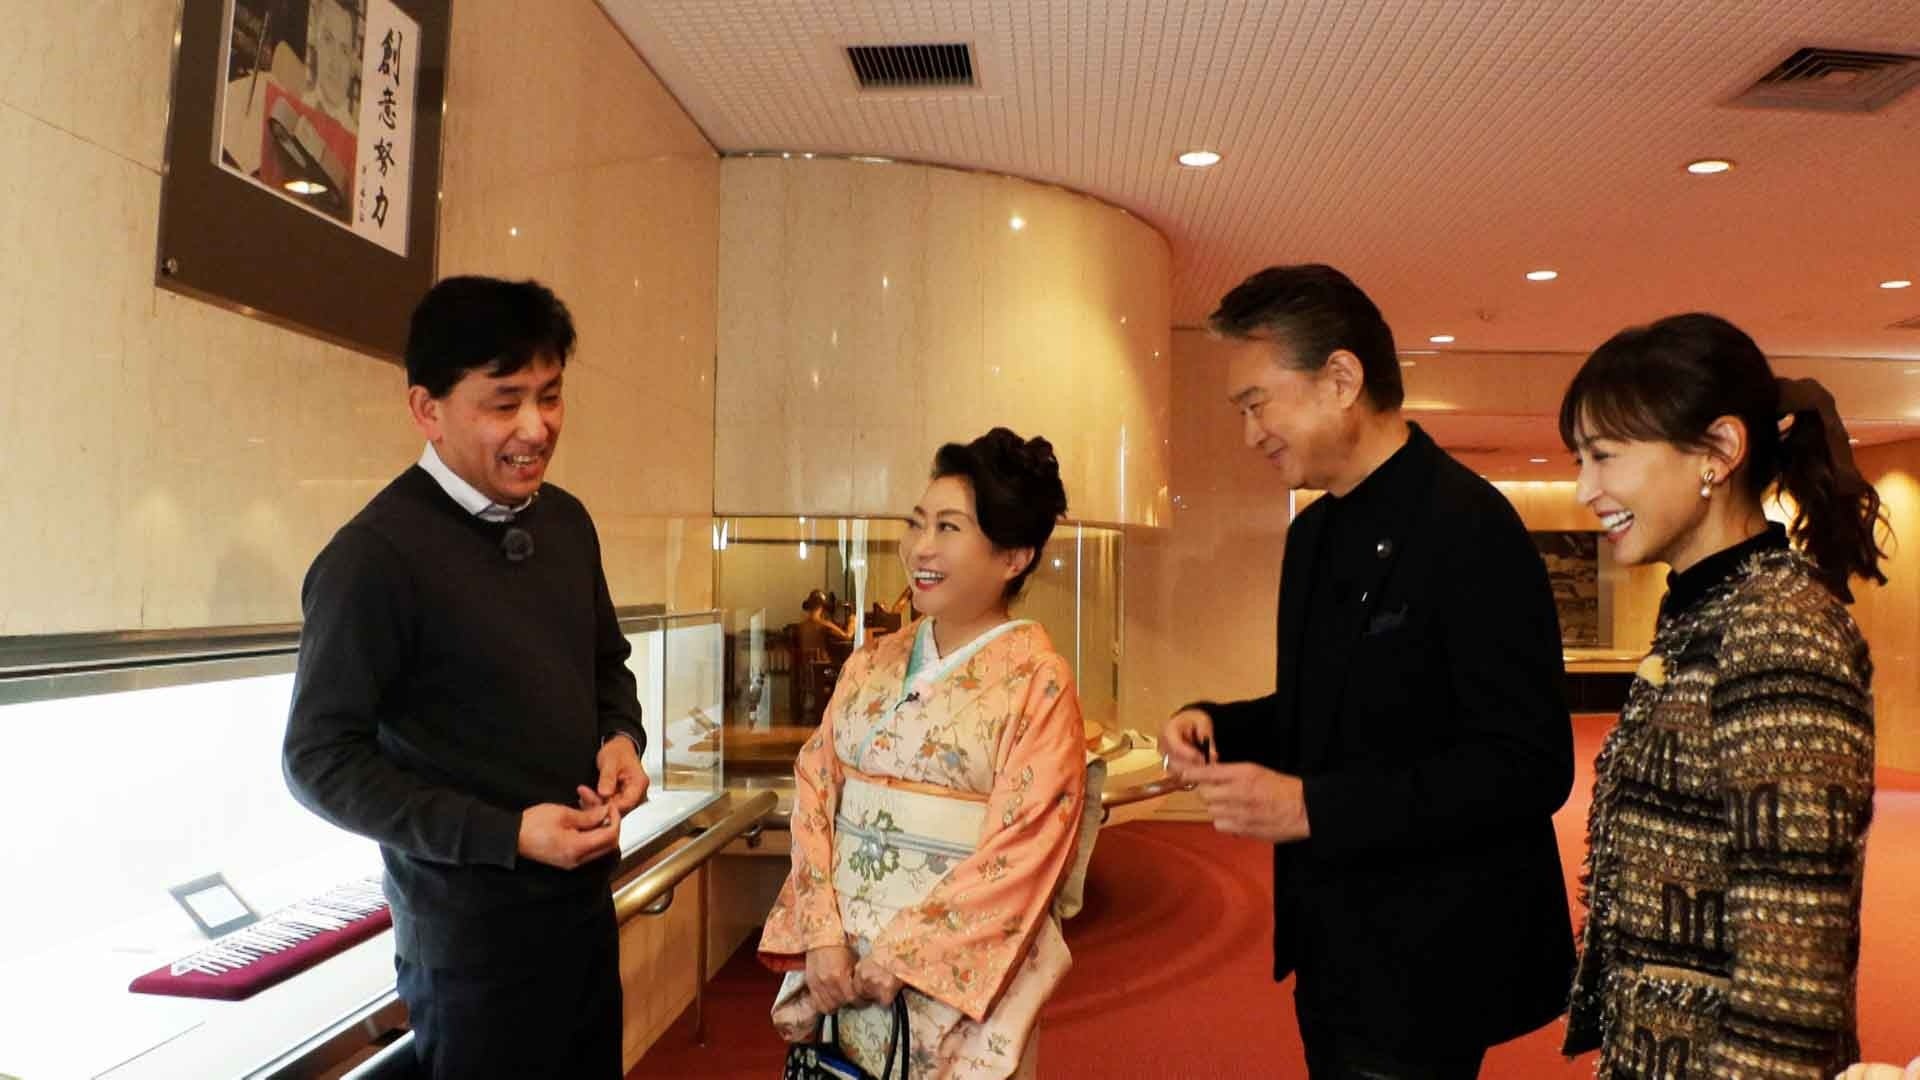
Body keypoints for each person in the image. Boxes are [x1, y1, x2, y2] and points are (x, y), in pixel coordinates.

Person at [1160, 264, 1576, 1078]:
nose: (1250, 433)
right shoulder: (1312, 535)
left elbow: (1527, 765)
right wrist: (1221, 723)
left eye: (1257, 403)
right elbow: (1326, 708)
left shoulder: (1469, 524)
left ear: (1341, 379)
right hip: (1330, 940)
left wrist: (1313, 806)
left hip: (1429, 955)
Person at [283, 276, 649, 1080]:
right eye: (504, 402)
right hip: (471, 951)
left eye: (550, 396)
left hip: (583, 915)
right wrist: (506, 834)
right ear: (428, 409)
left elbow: (605, 664)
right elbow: (317, 760)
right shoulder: (374, 557)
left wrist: (621, 737)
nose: (536, 427)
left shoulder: (566, 522)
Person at [1558, 313, 1883, 1078]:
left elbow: (1790, 974)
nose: (1584, 489)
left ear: (1719, 452)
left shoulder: (1778, 629)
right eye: (1580, 459)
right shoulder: (1711, 607)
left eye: (1605, 456)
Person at [760, 428, 1085, 1079]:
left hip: (950, 977)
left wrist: (904, 954)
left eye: (948, 527)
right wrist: (821, 933)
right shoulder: (873, 661)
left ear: (1014, 556)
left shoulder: (1037, 681)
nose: (920, 547)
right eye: (916, 523)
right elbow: (816, 783)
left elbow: (1024, 849)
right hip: (842, 959)